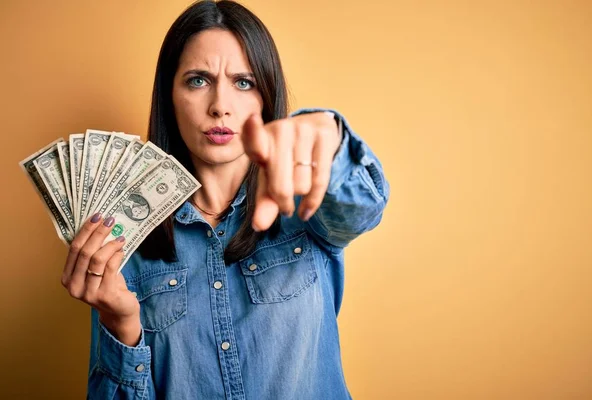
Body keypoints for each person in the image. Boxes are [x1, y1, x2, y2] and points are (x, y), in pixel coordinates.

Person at [60, 1, 390, 399]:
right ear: (170, 97)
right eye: (198, 80)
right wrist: (123, 328)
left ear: (266, 97)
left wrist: (332, 140)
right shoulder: (125, 240)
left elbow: (364, 206)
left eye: (243, 82)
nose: (220, 106)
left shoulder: (308, 204)